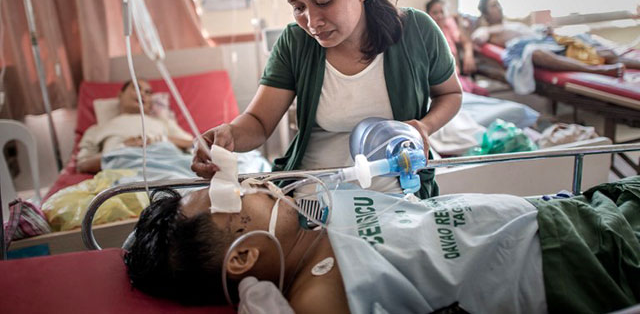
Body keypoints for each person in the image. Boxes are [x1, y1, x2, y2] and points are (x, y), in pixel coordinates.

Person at [192, 0, 462, 198]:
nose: (312, 22)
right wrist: (229, 135)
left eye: (323, 1)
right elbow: (260, 122)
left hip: (396, 184)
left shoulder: (417, 30)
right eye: (298, 7)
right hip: (316, 187)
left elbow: (450, 93)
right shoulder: (295, 43)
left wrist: (424, 126)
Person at [124, 175, 640, 313]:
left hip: (562, 213)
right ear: (242, 255)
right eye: (233, 196)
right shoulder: (318, 297)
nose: (253, 184)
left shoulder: (314, 218)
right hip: (568, 261)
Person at [472, 0, 633, 78]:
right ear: (485, 13)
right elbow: (477, 39)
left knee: (605, 54)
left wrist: (544, 32)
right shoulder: (488, 30)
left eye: (498, 4)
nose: (499, 8)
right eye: (493, 6)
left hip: (548, 42)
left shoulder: (513, 24)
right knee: (534, 52)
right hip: (537, 49)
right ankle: (596, 71)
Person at [76, 79, 193, 173]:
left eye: (148, 93)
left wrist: (160, 139)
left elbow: (194, 143)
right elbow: (82, 165)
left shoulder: (163, 123)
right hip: (126, 169)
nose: (142, 94)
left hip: (170, 163)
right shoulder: (97, 129)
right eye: (136, 88)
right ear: (120, 95)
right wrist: (122, 148)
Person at [426, 0, 489, 96]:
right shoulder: (427, 35)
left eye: (442, 12)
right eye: (435, 13)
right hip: (445, 79)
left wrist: (468, 55)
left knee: (483, 92)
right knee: (464, 94)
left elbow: (466, 41)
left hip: (458, 76)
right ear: (428, 16)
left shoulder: (449, 28)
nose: (439, 16)